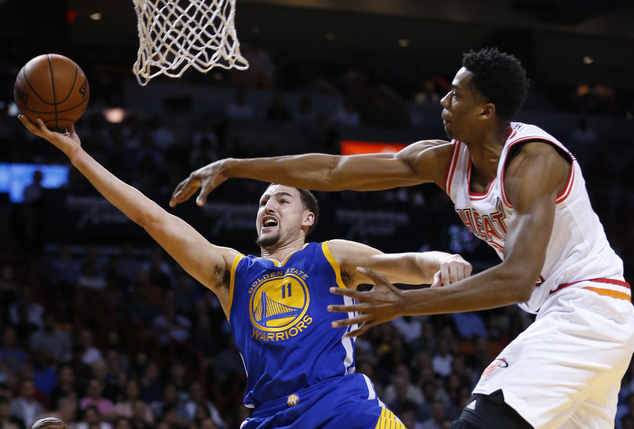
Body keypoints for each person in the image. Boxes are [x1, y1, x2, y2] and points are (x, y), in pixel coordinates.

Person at [169, 47, 634, 429]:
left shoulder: (534, 162)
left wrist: (404, 304)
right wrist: (235, 167)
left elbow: (514, 280)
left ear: (486, 111)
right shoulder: (441, 159)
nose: (443, 102)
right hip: (564, 315)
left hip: (587, 309)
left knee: (481, 419)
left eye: (455, 95)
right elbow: (334, 171)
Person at [18, 115, 470, 428]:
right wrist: (78, 156)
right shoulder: (232, 272)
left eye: (281, 199)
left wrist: (443, 262)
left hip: (340, 406)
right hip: (270, 417)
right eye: (262, 201)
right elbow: (152, 218)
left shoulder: (331, 256)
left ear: (307, 219)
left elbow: (405, 263)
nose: (267, 205)